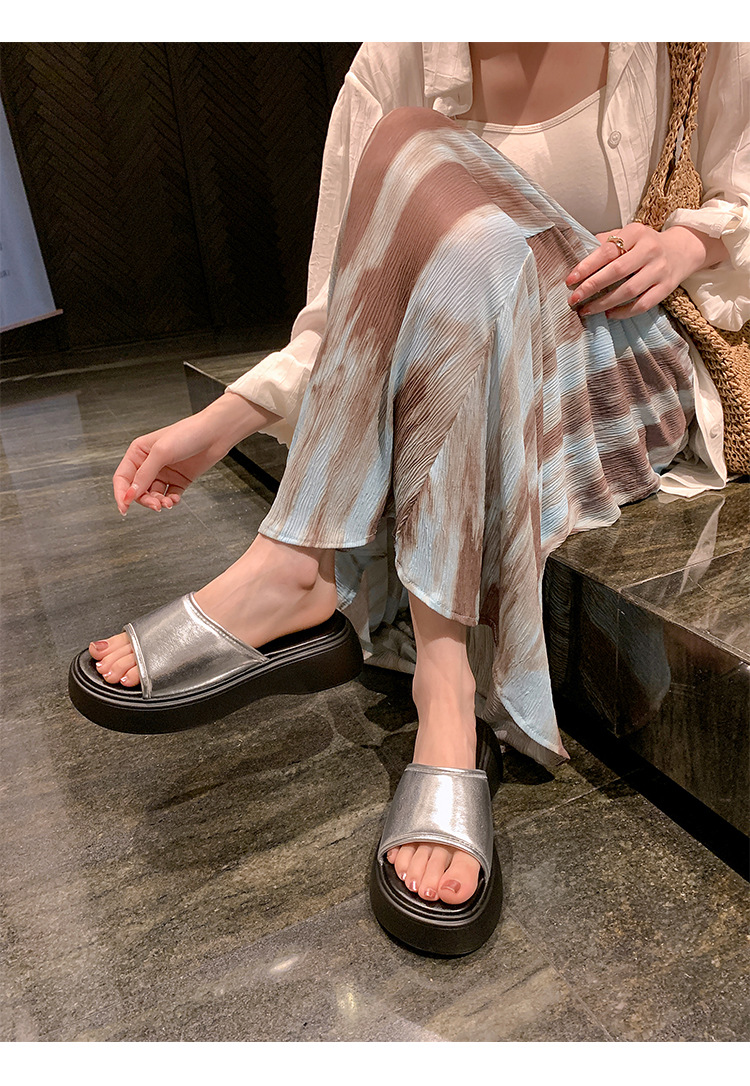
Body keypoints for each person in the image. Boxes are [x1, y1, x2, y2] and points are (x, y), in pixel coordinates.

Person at [69, 43, 749, 955]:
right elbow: (355, 300)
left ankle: (296, 565)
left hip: (622, 364)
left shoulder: (692, 31)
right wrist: (228, 419)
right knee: (451, 209)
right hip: (473, 346)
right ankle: (444, 687)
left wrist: (687, 242)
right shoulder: (399, 53)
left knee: (421, 156)